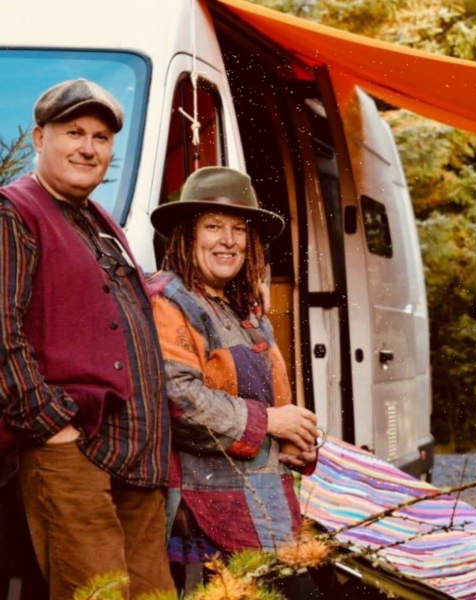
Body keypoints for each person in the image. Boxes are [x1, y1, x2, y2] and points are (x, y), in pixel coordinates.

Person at [0, 79, 174, 599]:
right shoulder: (12, 211)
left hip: (134, 457)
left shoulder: (101, 221)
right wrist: (51, 426)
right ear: (38, 137)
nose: (88, 147)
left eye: (100, 137)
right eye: (73, 132)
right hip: (70, 452)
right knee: (96, 595)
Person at [149, 166, 321, 597]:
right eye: (213, 227)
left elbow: (273, 395)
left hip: (261, 497)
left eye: (239, 229)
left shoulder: (247, 309)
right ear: (187, 236)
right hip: (203, 508)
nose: (228, 240)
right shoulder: (169, 300)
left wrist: (294, 440)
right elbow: (180, 401)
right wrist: (270, 424)